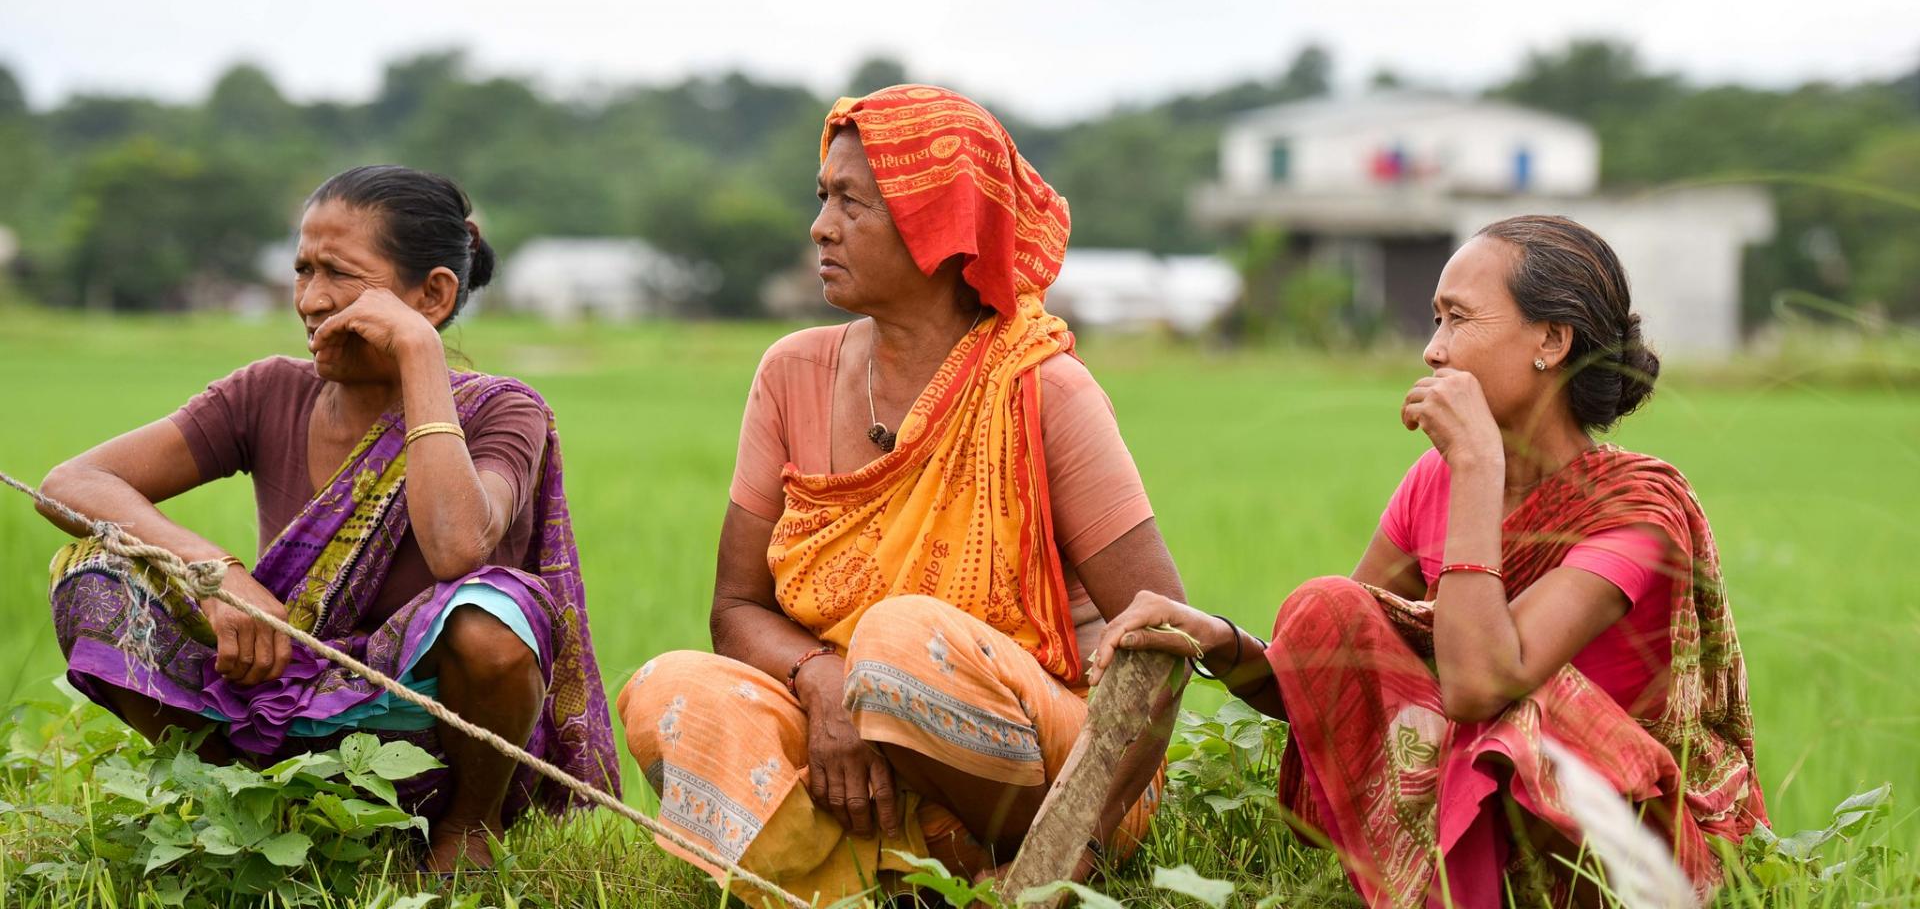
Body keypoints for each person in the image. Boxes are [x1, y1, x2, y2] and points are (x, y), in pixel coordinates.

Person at [1090, 215, 1767, 907]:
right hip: (1493, 854)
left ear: (1551, 341)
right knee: (1328, 607)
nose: (1433, 350)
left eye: (1458, 320)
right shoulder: (1433, 483)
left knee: (1523, 712)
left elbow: (1482, 684)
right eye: (1436, 320)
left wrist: (1476, 465)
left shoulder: (1636, 512)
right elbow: (1335, 680)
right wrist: (1217, 640)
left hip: (1630, 860)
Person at [617, 85, 1186, 903]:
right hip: (849, 749)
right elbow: (736, 609)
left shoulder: (1043, 390)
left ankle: (1007, 866)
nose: (820, 227)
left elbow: (1162, 639)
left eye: (851, 203)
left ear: (940, 224)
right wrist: (822, 679)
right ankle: (886, 877)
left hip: (1060, 777)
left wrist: (1078, 843)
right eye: (823, 198)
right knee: (675, 689)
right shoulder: (790, 374)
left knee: (897, 641)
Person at [38, 165, 620, 871]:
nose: (310, 300)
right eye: (302, 270)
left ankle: (467, 832)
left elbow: (456, 548)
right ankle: (245, 808)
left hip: (430, 736)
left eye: (339, 274)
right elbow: (71, 483)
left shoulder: (502, 411)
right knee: (92, 573)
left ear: (432, 294)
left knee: (493, 612)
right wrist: (218, 576)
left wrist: (419, 353)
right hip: (270, 689)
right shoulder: (266, 392)